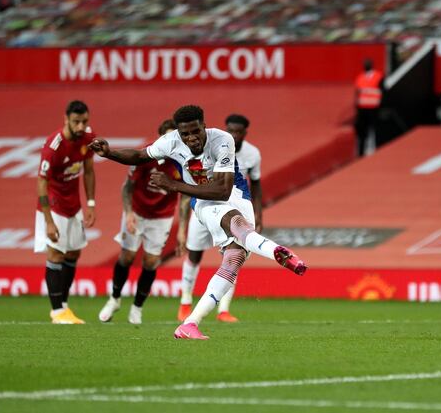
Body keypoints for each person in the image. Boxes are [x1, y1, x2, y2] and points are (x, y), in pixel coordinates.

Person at [89, 105, 307, 340]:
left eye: (195, 131)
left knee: (233, 261)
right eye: (185, 134)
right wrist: (109, 153)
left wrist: (174, 185)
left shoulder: (222, 140)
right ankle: (276, 250)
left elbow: (223, 191)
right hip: (203, 201)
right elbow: (141, 156)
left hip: (235, 195)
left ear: (204, 126)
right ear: (179, 133)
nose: (191, 138)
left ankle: (190, 323)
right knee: (234, 224)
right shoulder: (170, 141)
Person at [98, 119, 186, 325]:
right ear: (159, 137)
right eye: (166, 137)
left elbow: (185, 196)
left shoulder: (182, 160)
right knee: (127, 256)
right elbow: (127, 186)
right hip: (137, 212)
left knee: (150, 262)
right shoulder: (148, 155)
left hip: (162, 217)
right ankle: (114, 299)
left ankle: (137, 308)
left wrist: (182, 229)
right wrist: (128, 213)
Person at [178, 113, 263, 323]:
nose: (233, 135)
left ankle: (223, 309)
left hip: (234, 208)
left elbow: (257, 185)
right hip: (205, 207)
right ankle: (185, 302)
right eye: (230, 130)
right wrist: (182, 224)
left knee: (234, 254)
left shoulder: (253, 154)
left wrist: (258, 214)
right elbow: (190, 182)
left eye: (237, 131)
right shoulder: (213, 145)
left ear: (245, 133)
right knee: (194, 254)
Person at [35, 100, 97, 324]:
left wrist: (90, 203)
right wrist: (48, 221)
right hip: (54, 205)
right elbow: (41, 182)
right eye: (76, 122)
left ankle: (64, 307)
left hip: (74, 205)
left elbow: (89, 171)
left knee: (73, 253)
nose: (81, 126)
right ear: (66, 119)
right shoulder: (54, 146)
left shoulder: (87, 139)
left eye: (84, 121)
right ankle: (57, 311)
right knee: (55, 254)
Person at [354, 58, 384, 156]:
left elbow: (384, 91)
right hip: (363, 108)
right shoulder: (360, 78)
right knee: (362, 131)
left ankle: (376, 150)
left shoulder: (378, 76)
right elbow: (357, 94)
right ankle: (361, 153)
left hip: (374, 107)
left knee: (375, 130)